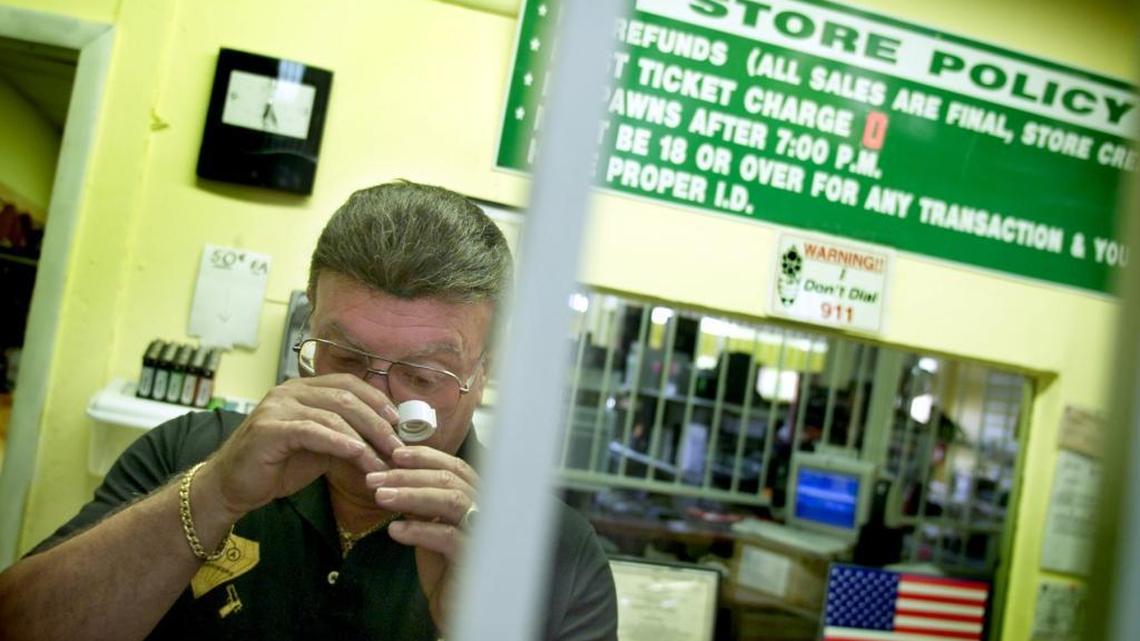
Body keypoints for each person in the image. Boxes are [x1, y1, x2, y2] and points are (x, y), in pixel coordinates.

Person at [0, 182, 619, 641]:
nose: (376, 398)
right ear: (307, 332)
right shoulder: (190, 452)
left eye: (424, 375)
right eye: (345, 357)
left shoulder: (556, 550)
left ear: (485, 373)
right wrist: (211, 495)